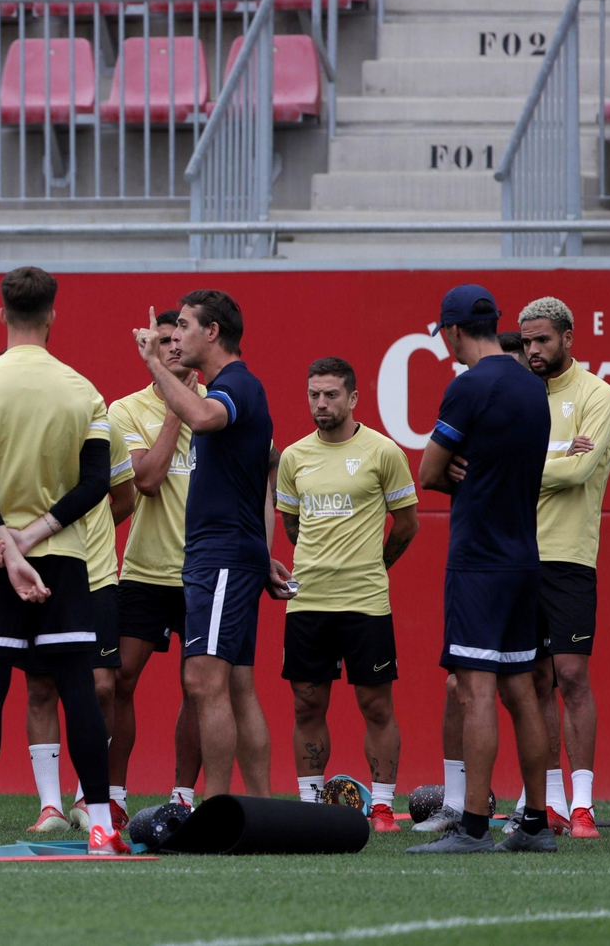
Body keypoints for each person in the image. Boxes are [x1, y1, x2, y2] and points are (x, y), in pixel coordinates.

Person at [0, 266, 126, 855]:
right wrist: (35, 537)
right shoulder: (85, 392)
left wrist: (6, 543)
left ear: (3, 313)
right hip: (65, 560)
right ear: (51, 315)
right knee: (78, 690)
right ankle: (102, 825)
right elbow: (96, 485)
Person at [131, 292, 293, 800]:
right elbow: (257, 483)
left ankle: (217, 808)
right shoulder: (231, 387)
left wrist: (155, 364)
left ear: (213, 332)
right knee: (237, 687)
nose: (174, 336)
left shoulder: (236, 384)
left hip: (221, 558)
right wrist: (259, 555)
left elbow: (202, 417)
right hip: (230, 555)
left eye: (183, 326)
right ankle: (261, 811)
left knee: (203, 682)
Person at [411, 284, 554, 854]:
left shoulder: (468, 386)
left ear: (451, 332)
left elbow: (428, 472)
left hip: (479, 562)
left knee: (475, 691)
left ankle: (472, 828)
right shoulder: (533, 385)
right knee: (522, 689)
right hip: (524, 557)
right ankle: (536, 824)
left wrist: (455, 472)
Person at [274, 357, 418, 832]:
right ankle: (311, 804)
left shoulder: (383, 452)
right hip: (307, 602)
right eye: (314, 394)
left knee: (376, 706)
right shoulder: (294, 457)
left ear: (353, 398)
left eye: (331, 394)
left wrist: (375, 566)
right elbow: (292, 526)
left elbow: (407, 524)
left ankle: (383, 807)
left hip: (365, 603)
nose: (321, 403)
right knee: (306, 706)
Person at [517, 297, 610, 838]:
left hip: (570, 556)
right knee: (534, 680)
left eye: (543, 340)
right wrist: (557, 459)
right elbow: (558, 466)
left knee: (572, 675)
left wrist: (519, 467)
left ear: (568, 338)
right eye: (527, 341)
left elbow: (579, 474)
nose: (533, 349)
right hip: (516, 556)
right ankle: (550, 802)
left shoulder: (598, 394)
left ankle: (583, 806)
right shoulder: (518, 395)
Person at [20, 381, 136, 834]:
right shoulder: (24, 434)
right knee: (41, 686)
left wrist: (91, 536)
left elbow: (124, 498)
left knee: (102, 686)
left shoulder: (104, 430)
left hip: (97, 575)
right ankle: (50, 806)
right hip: (42, 572)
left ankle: (87, 796)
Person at [108, 311, 204, 813]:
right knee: (118, 680)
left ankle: (183, 797)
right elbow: (145, 480)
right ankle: (112, 797)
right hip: (145, 570)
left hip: (204, 573)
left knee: (199, 687)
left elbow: (263, 475)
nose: (172, 347)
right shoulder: (125, 409)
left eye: (179, 338)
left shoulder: (220, 405)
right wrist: (174, 410)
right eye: (163, 340)